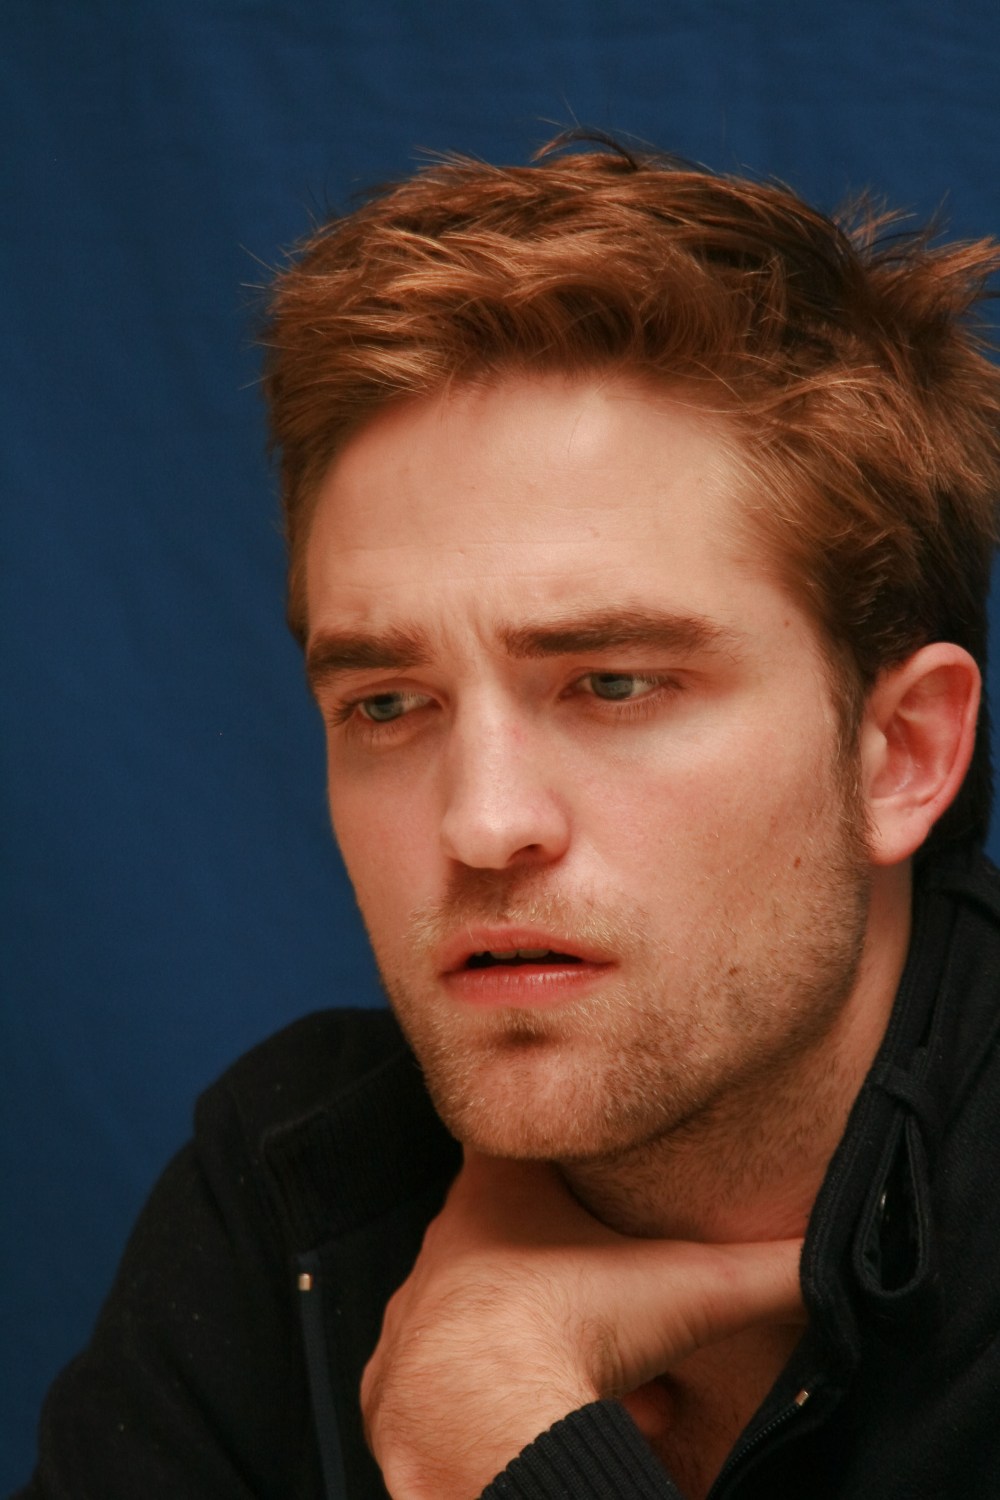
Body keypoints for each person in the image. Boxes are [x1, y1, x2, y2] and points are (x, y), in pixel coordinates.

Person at [17, 138, 1000, 1500]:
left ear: (900, 754)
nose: (482, 825)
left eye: (614, 683)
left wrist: (509, 1443)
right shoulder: (295, 1188)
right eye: (388, 704)